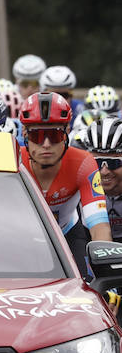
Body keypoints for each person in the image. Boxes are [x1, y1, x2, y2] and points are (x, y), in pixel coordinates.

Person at [19, 92, 111, 275]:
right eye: (37, 136)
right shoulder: (13, 160)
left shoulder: (84, 163)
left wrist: (108, 275)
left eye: (53, 135)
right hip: (22, 238)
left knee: (91, 288)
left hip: (68, 233)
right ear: (24, 135)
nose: (46, 144)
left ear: (66, 134)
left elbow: (99, 226)